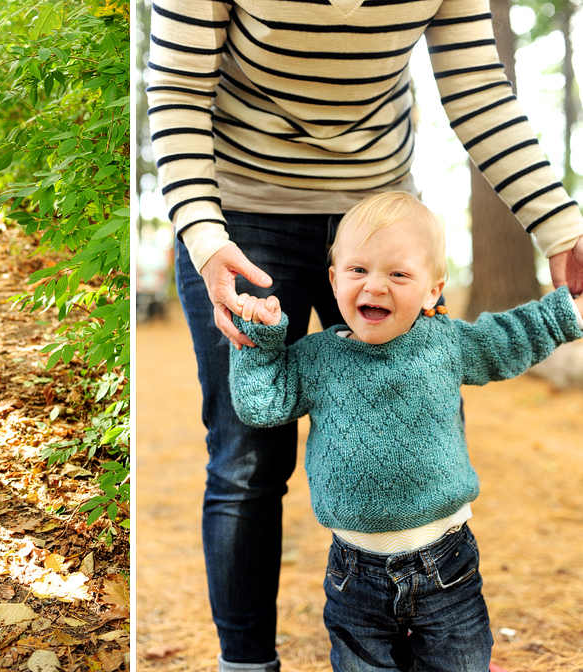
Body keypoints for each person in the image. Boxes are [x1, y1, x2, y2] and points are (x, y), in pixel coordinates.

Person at [146, 2, 583, 668]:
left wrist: (561, 227)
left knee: (423, 411)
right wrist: (206, 238)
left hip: (379, 208)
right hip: (242, 209)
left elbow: (478, 86)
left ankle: (446, 630)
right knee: (245, 461)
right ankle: (247, 662)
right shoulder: (301, 335)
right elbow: (176, 87)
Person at [229, 192, 583, 671]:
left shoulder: (446, 343)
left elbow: (508, 338)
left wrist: (567, 313)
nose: (375, 286)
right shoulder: (315, 359)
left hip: (448, 567)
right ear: (333, 280)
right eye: (358, 270)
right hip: (353, 574)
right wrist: (260, 340)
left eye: (398, 274)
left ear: (432, 291)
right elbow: (260, 404)